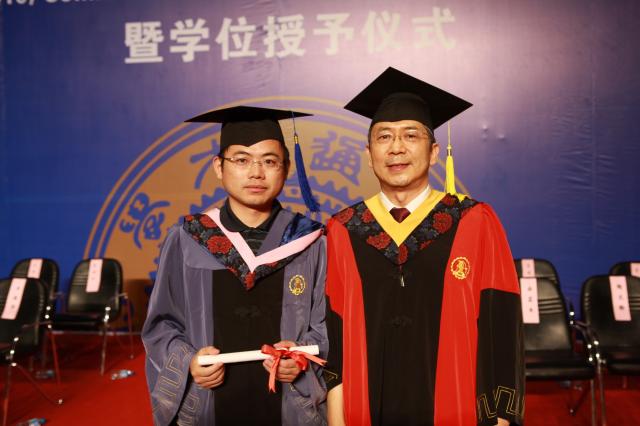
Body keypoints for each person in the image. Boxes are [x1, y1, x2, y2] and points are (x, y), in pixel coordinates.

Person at [324, 67, 524, 426]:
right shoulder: (344, 229)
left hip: (456, 409)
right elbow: (334, 336)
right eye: (384, 137)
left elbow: (502, 324)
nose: (396, 148)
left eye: (410, 135)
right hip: (366, 411)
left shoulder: (474, 221)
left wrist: (500, 416)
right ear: (369, 154)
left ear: (433, 153)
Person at [142, 106, 328, 425]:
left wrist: (301, 358)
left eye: (269, 161)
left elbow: (328, 326)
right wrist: (188, 362)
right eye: (241, 160)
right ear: (219, 166)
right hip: (210, 407)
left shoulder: (311, 241)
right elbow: (161, 325)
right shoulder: (188, 238)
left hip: (288, 408)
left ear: (285, 168)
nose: (256, 173)